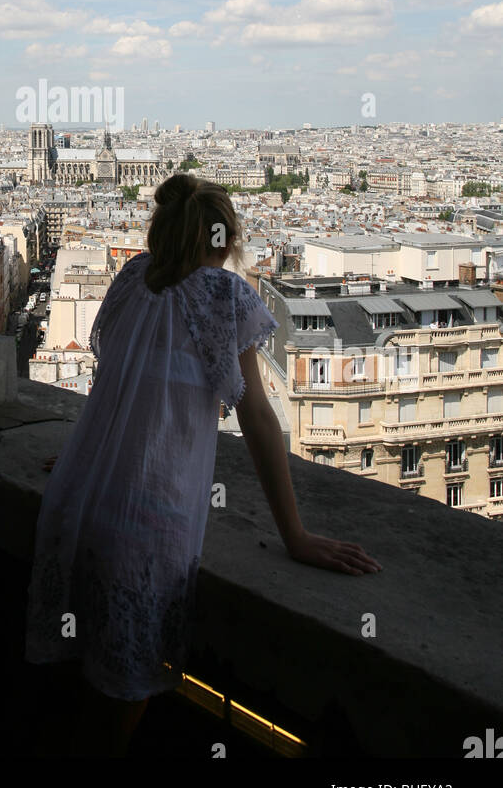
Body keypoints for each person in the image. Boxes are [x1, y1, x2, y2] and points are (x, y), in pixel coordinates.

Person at [24, 173, 382, 758]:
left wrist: (87, 454)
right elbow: (258, 419)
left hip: (86, 499)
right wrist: (294, 535)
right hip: (148, 521)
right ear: (223, 240)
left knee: (81, 686)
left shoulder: (131, 280)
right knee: (123, 692)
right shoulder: (224, 297)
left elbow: (119, 381)